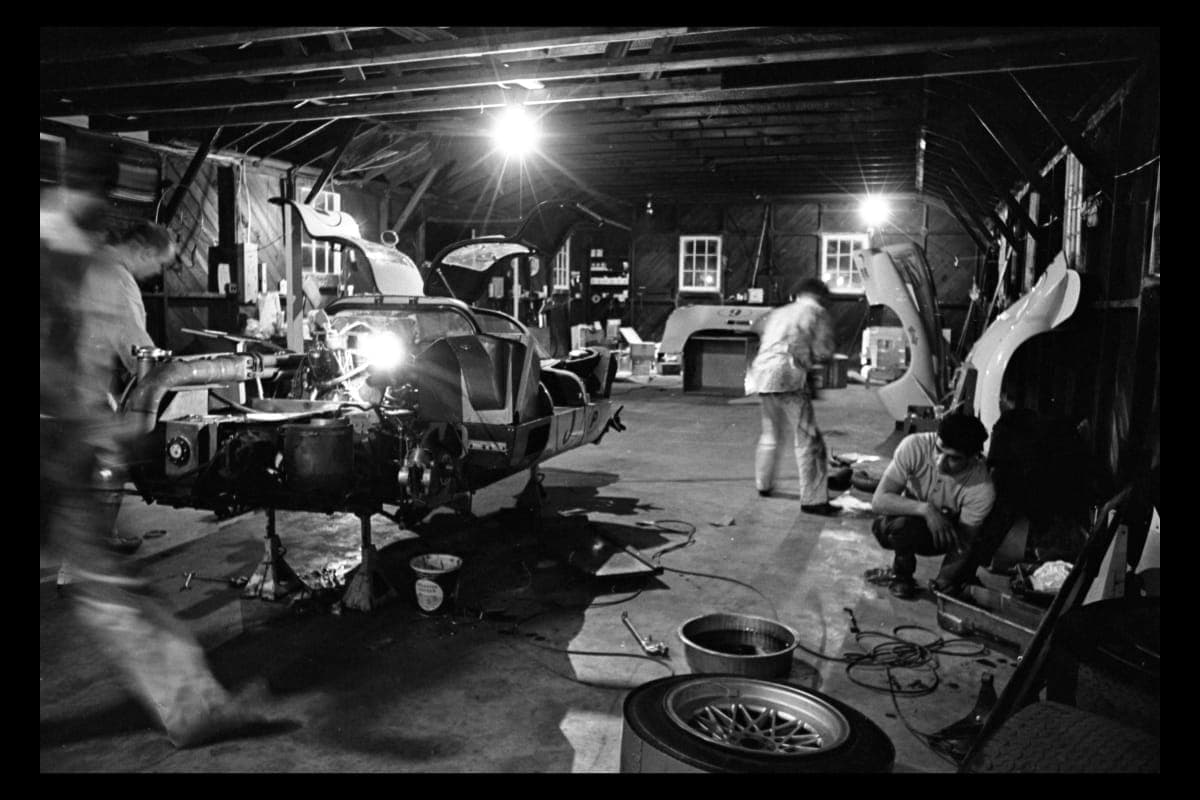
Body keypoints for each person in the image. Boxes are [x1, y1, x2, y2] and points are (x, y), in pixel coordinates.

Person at [41, 184, 285, 748]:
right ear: (145, 251)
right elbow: (140, 357)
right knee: (117, 596)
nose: (159, 275)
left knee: (109, 590)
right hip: (60, 444)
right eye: (163, 264)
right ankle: (193, 711)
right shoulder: (106, 277)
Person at [869, 413, 996, 599]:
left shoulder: (982, 488)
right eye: (939, 450)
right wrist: (927, 510)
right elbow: (879, 500)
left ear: (973, 458)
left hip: (942, 537)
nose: (940, 462)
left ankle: (962, 578)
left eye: (954, 458)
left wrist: (944, 579)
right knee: (901, 526)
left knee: (979, 540)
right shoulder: (914, 445)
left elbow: (964, 542)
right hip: (905, 525)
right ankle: (901, 575)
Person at [745, 277, 837, 514]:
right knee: (808, 438)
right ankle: (814, 500)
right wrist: (815, 364)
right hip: (787, 375)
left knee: (770, 432)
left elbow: (761, 333)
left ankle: (763, 485)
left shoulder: (780, 312)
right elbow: (822, 351)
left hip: (761, 373)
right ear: (820, 295)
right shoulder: (816, 312)